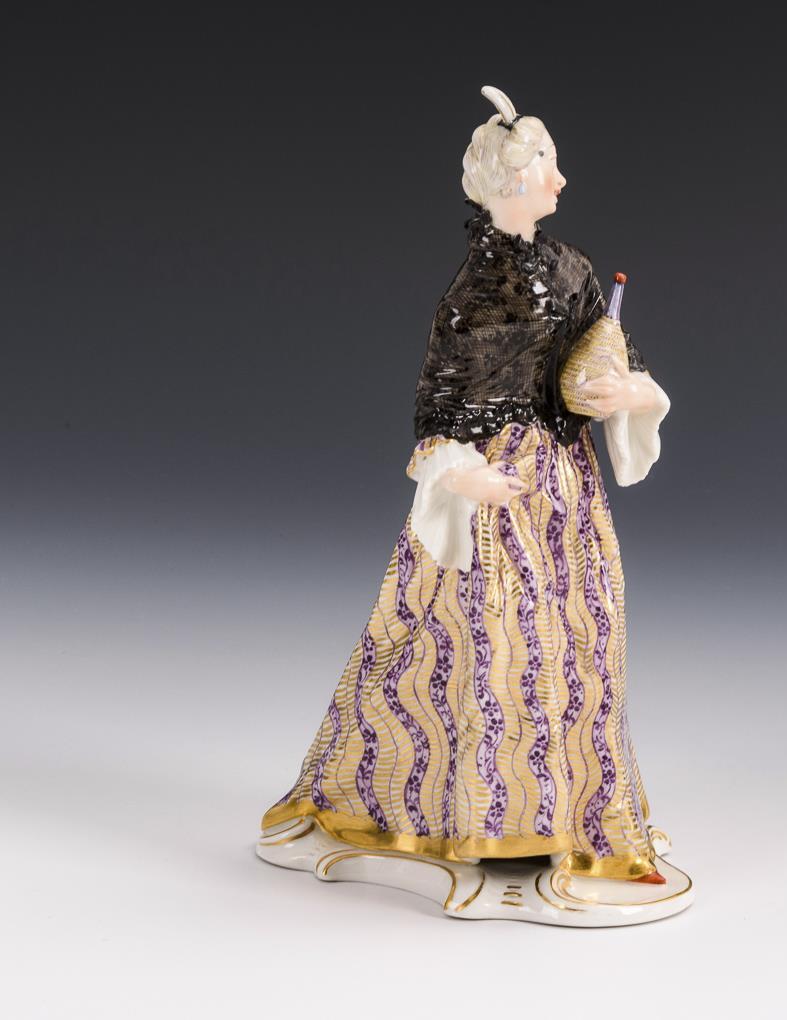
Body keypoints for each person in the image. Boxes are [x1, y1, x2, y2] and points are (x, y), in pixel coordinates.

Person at [259, 85, 672, 884]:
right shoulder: (472, 293)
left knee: (581, 642)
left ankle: (570, 811)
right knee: (490, 647)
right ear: (511, 179)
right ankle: (482, 813)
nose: (559, 179)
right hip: (498, 488)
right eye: (546, 163)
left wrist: (629, 390)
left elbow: (612, 352)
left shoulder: (574, 268)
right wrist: (462, 470)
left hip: (563, 485)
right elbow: (437, 408)